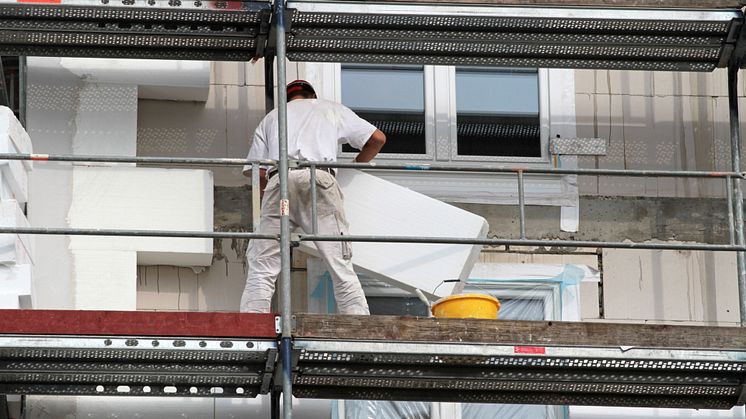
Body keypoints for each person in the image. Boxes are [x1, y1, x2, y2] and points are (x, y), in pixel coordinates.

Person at [240, 79, 386, 315]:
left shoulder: (271, 118)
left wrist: (268, 210)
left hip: (280, 181)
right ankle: (358, 322)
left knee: (262, 265)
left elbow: (257, 172)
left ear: (288, 99)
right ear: (312, 96)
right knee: (339, 262)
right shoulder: (329, 109)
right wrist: (355, 166)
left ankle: (251, 324)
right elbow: (377, 139)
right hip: (318, 178)